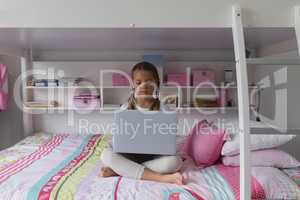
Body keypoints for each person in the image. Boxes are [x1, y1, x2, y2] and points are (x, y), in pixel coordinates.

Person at [100, 61, 183, 185]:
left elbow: (169, 140)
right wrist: (114, 145)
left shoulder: (165, 110)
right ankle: (159, 178)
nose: (143, 86)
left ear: (157, 84)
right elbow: (118, 138)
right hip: (128, 154)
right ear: (133, 85)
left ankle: (121, 170)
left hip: (154, 156)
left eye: (149, 82)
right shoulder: (124, 109)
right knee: (106, 155)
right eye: (138, 82)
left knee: (175, 162)